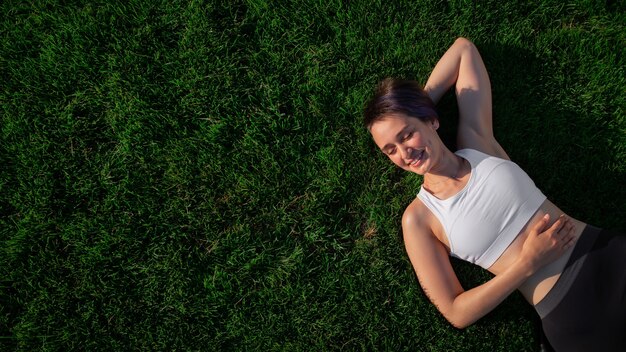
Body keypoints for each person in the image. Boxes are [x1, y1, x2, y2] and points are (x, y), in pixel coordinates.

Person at [363, 37, 626, 351]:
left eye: (407, 134)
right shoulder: (418, 219)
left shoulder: (477, 145)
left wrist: (415, 107)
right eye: (390, 149)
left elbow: (463, 51)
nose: (405, 152)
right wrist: (527, 264)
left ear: (432, 121)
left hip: (608, 256)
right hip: (571, 315)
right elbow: (456, 312)